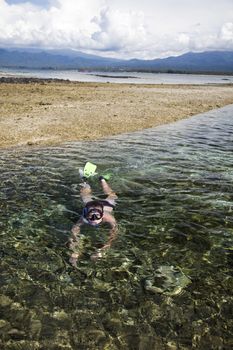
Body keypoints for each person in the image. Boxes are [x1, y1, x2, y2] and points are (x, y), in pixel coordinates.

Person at [68, 176, 118, 266]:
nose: (94, 219)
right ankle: (85, 181)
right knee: (85, 195)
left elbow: (114, 231)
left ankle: (102, 180)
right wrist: (75, 249)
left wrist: (105, 247)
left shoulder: (108, 217)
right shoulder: (84, 218)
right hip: (90, 205)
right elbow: (75, 229)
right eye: (91, 216)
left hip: (107, 205)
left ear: (102, 214)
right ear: (86, 214)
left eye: (97, 216)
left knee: (112, 195)